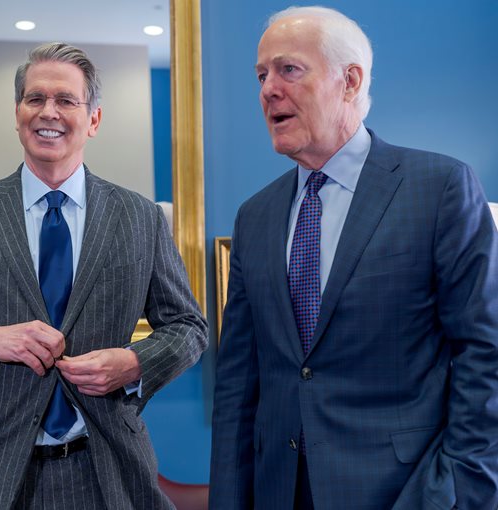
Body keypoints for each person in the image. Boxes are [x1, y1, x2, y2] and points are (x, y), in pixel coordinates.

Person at [209, 6, 498, 510]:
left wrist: (453, 491)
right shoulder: (254, 216)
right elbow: (238, 384)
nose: (268, 89)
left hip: (405, 493)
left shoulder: (439, 187)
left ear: (350, 81)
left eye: (288, 69)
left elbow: (485, 354)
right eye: (261, 75)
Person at [0, 42, 208, 509]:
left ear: (94, 119)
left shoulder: (139, 217)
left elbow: (188, 327)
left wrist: (134, 363)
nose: (49, 112)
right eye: (35, 98)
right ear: (17, 113)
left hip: (108, 474)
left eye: (66, 100)